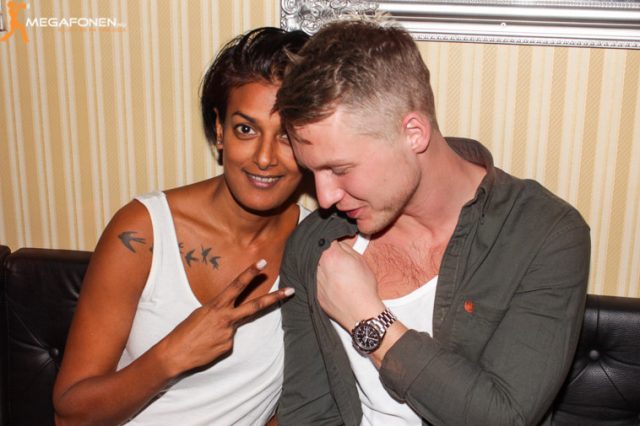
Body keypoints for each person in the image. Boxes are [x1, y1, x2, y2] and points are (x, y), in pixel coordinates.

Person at [275, 19, 590, 426]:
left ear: (413, 133)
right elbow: (308, 413)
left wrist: (368, 319)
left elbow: (504, 418)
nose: (324, 197)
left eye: (340, 169)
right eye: (312, 171)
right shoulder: (315, 243)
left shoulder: (545, 234)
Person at [53, 27, 309, 425]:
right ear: (220, 130)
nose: (264, 157)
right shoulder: (142, 231)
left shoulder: (315, 244)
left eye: (287, 136)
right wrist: (170, 357)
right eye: (246, 129)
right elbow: (70, 415)